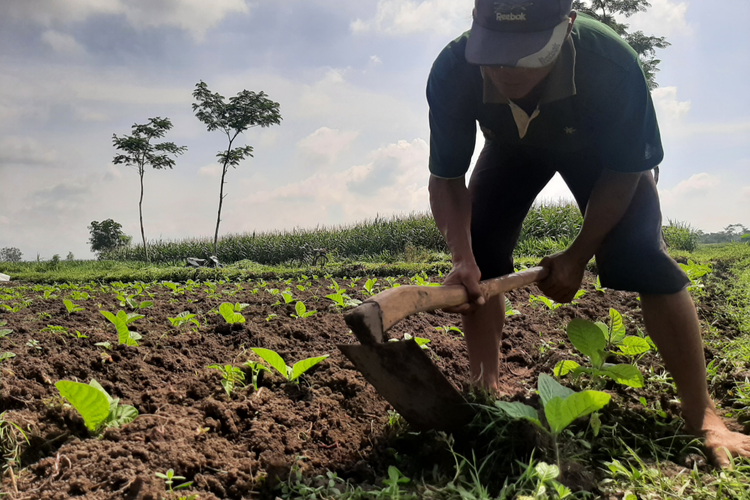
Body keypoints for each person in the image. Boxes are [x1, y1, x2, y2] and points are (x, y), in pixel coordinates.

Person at [426, 0, 750, 466]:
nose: (506, 70)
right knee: (481, 247)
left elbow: (624, 171)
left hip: (602, 155)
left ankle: (701, 414)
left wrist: (579, 255)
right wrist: (462, 258)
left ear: (567, 28)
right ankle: (485, 385)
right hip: (512, 148)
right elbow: (447, 179)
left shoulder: (611, 63)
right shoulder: (454, 69)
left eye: (527, 54)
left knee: (639, 252)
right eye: (493, 52)